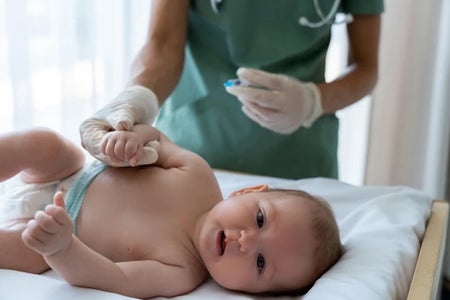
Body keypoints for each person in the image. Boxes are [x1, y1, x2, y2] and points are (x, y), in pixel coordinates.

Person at [0, 120, 342, 298]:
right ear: (249, 191)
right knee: (43, 143)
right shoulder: (198, 175)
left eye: (261, 262)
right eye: (260, 218)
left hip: (58, 227)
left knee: (25, 251)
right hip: (74, 172)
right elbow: (158, 142)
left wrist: (61, 248)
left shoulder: (181, 272)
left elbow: (111, 278)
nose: (246, 241)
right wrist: (131, 140)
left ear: (254, 293)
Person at [91, 0, 384, 180]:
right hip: (195, 150)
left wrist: (313, 101)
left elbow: (366, 68)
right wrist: (135, 97)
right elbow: (164, 43)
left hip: (300, 161)